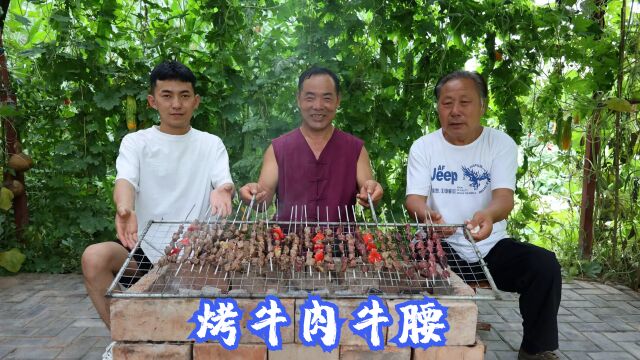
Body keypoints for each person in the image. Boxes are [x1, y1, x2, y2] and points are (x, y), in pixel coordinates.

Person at [405, 71, 561, 360]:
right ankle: (426, 344)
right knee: (414, 263)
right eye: (447, 102)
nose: (455, 111)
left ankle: (535, 350)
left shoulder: (500, 144)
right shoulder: (423, 146)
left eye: (465, 102)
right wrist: (428, 217)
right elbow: (413, 199)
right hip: (441, 246)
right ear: (438, 107)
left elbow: (504, 199)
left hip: (489, 245)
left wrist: (487, 216)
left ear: (482, 105)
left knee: (543, 265)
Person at [81, 60, 234, 332]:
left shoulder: (211, 144)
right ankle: (121, 338)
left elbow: (223, 183)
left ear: (195, 101)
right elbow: (125, 180)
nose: (176, 104)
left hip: (197, 254)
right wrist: (124, 209)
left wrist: (223, 192)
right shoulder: (136, 142)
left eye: (184, 96)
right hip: (144, 252)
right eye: (167, 95)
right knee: (94, 257)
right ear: (153, 101)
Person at [239, 66, 383, 222]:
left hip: (342, 243)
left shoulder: (356, 149)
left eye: (327, 98)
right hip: (284, 242)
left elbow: (370, 196)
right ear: (298, 99)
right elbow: (263, 200)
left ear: (338, 100)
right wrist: (253, 194)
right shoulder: (278, 148)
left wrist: (372, 192)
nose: (318, 106)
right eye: (310, 97)